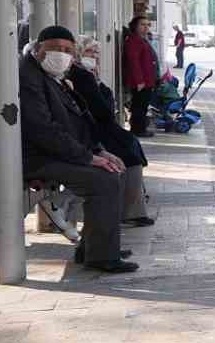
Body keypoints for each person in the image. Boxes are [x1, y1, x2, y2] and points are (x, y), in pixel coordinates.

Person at [21, 25, 137, 273]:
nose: (61, 54)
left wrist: (99, 151)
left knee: (115, 169)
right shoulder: (28, 76)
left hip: (56, 152)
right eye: (55, 48)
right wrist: (88, 158)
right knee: (103, 180)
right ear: (38, 49)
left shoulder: (53, 75)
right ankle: (101, 256)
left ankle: (94, 247)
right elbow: (43, 130)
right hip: (37, 156)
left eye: (67, 50)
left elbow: (78, 120)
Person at [67, 41, 153, 228]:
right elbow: (103, 110)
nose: (94, 56)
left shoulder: (88, 74)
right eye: (90, 51)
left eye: (96, 52)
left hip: (97, 128)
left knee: (130, 146)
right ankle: (130, 212)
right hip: (92, 131)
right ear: (79, 54)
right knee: (129, 155)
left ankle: (132, 210)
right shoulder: (82, 76)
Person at [122, 15, 158, 137]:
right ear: (135, 26)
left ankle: (139, 128)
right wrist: (139, 81)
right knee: (139, 106)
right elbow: (133, 61)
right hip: (141, 81)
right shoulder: (134, 40)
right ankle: (138, 129)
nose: (146, 27)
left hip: (147, 80)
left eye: (147, 25)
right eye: (142, 24)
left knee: (142, 105)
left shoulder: (142, 39)